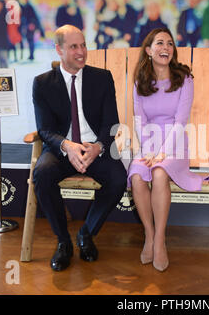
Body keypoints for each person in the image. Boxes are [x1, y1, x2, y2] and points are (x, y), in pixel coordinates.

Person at [32, 25, 127, 271]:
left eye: (83, 45)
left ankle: (86, 234)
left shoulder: (102, 78)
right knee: (42, 174)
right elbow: (44, 130)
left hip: (94, 148)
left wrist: (98, 147)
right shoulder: (42, 83)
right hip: (62, 150)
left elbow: (111, 122)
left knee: (118, 178)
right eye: (74, 46)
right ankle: (64, 242)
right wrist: (67, 146)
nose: (81, 51)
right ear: (59, 50)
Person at [127, 28, 206, 272]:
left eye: (170, 44)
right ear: (149, 51)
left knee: (160, 173)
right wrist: (149, 151)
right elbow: (139, 120)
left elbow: (181, 121)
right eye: (160, 43)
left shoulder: (184, 79)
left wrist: (162, 153)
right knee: (138, 175)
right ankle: (149, 236)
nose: (166, 48)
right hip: (149, 144)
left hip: (175, 144)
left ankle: (160, 241)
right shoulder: (141, 82)